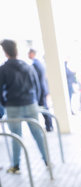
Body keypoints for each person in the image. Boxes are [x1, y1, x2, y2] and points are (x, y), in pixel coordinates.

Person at [0, 39, 48, 174]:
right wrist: (35, 101)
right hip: (30, 103)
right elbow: (37, 86)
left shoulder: (3, 69)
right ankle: (47, 160)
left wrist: (4, 103)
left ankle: (15, 165)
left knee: (16, 136)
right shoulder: (28, 66)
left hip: (13, 106)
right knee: (37, 133)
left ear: (5, 52)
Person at [28, 48, 52, 131]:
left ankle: (49, 126)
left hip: (40, 90)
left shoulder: (35, 65)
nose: (28, 55)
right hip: (42, 89)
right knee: (44, 108)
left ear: (32, 53)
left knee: (44, 108)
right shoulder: (38, 63)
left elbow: (36, 80)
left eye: (29, 53)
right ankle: (49, 125)